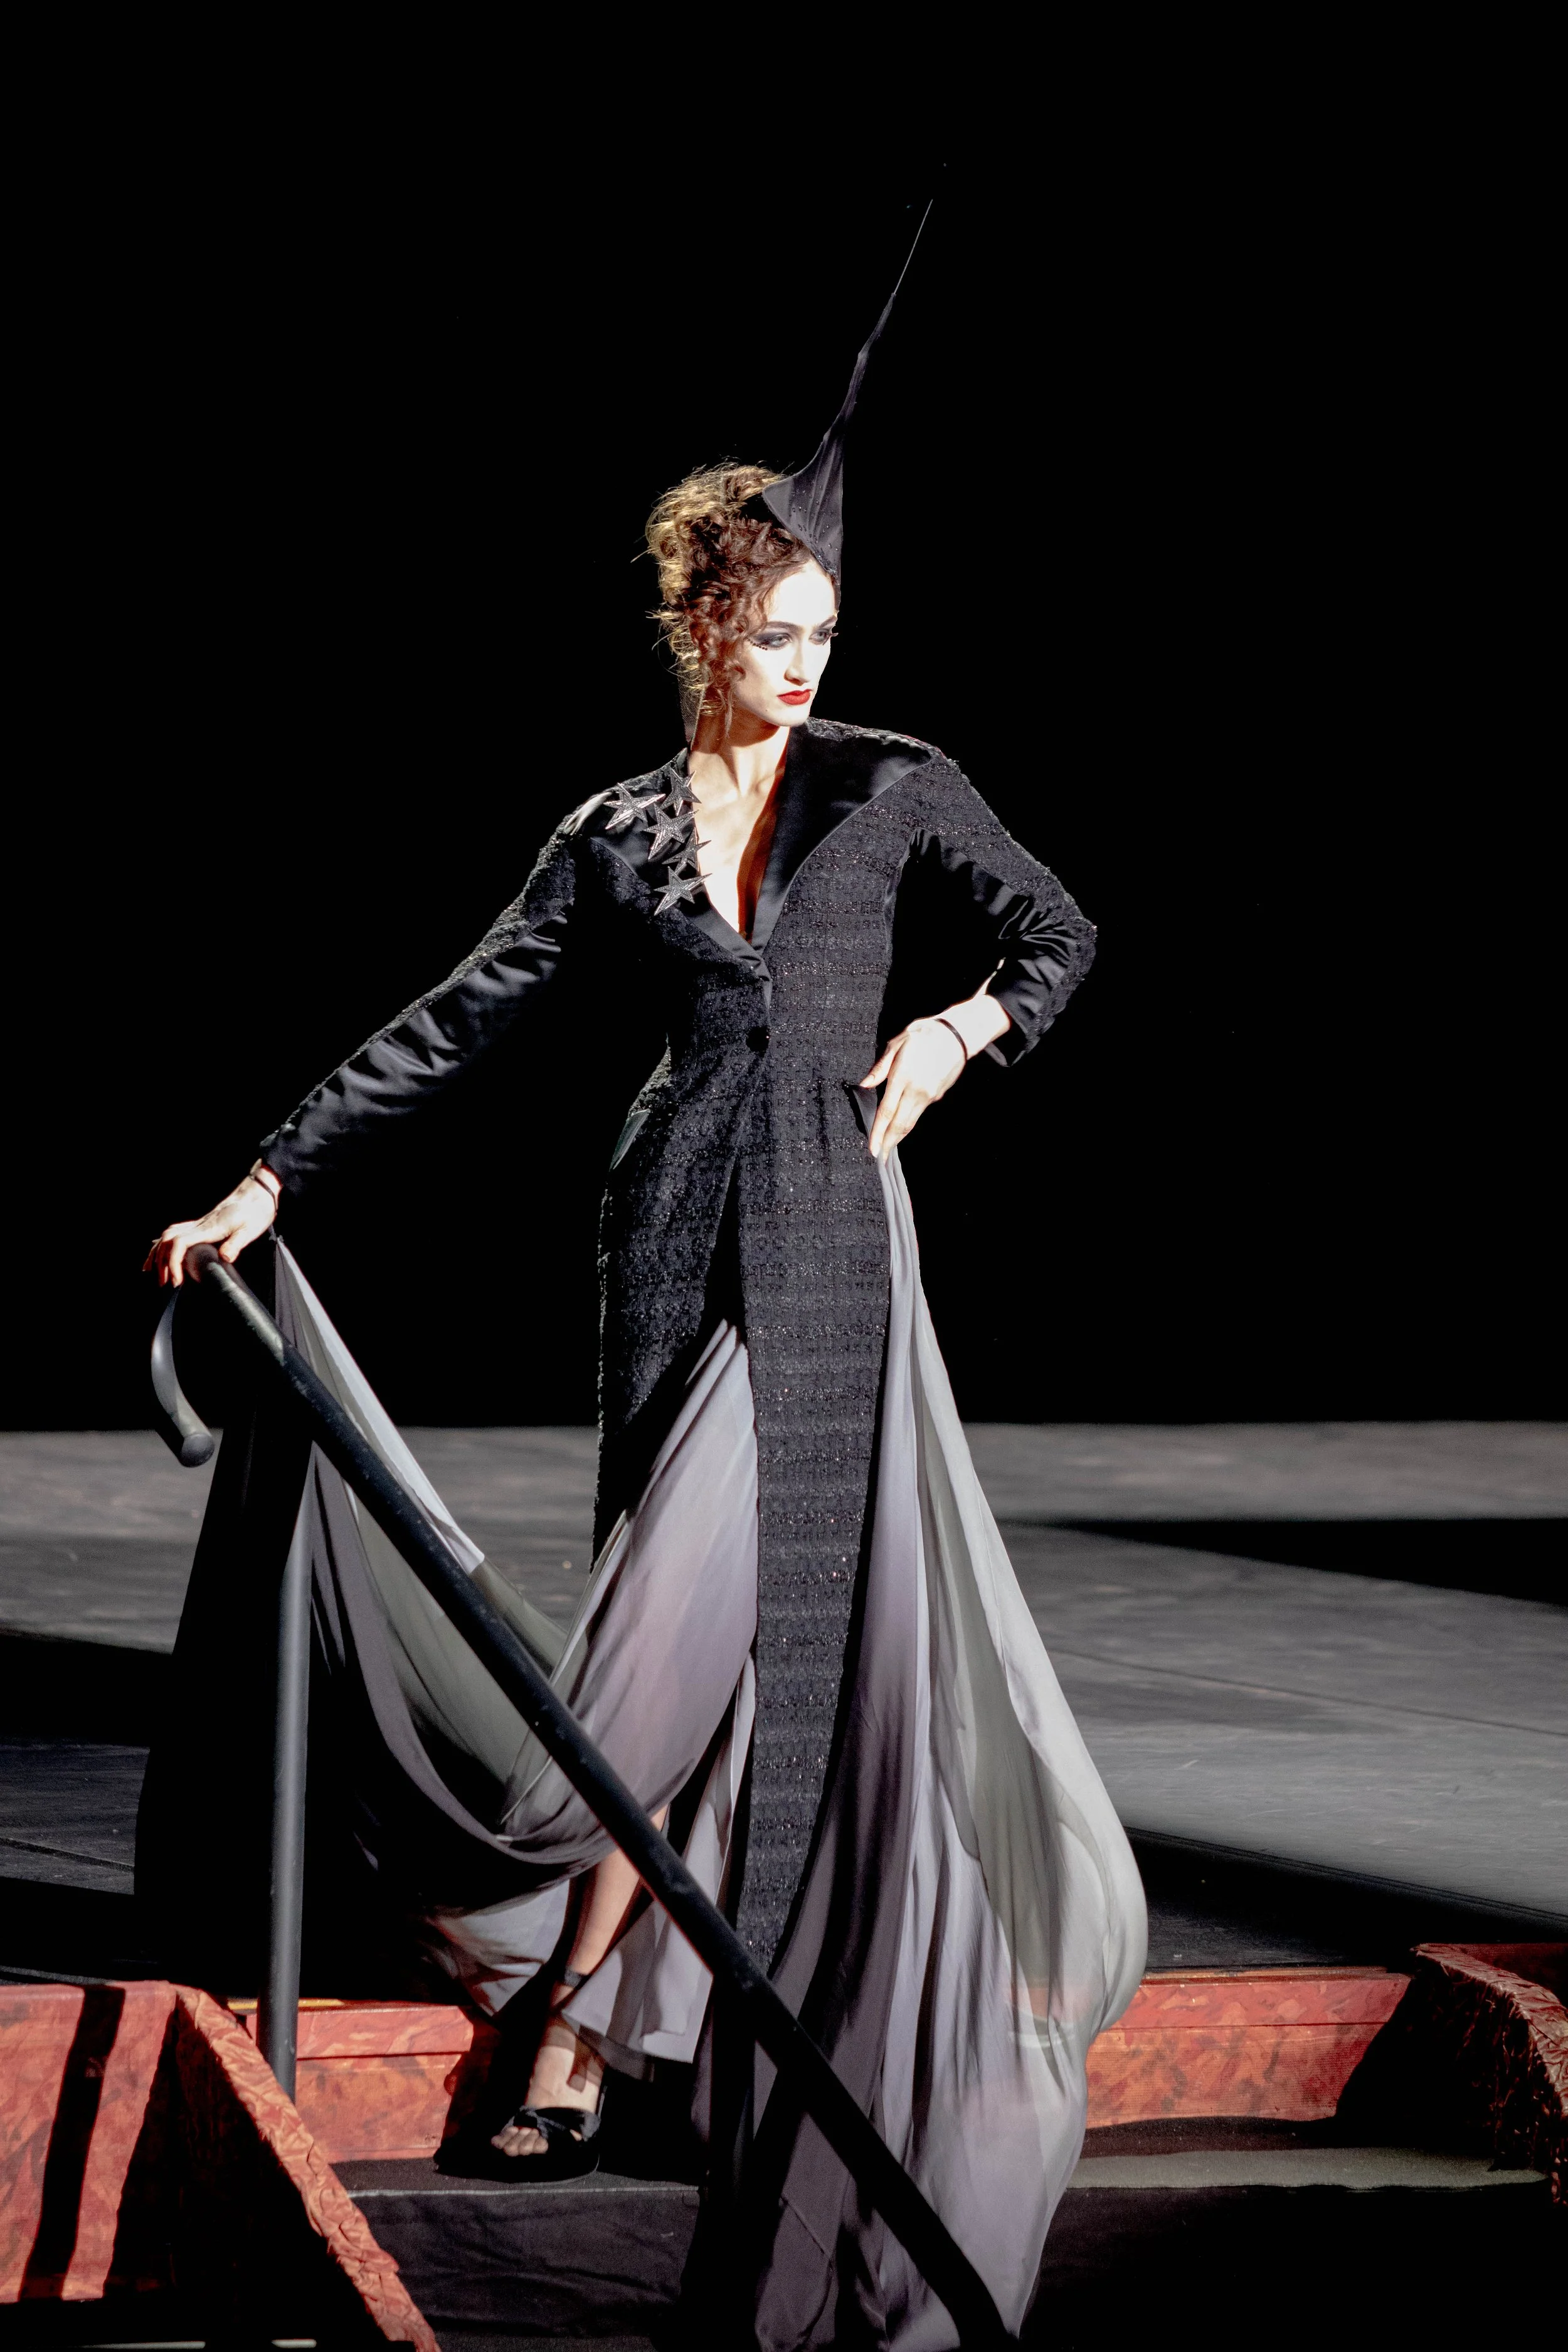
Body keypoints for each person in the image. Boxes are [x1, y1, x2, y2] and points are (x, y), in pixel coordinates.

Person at [145, 278, 1146, 2349]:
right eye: (774, 634)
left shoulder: (895, 783)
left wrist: (957, 1030)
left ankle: (586, 2027)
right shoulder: (611, 833)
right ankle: (612, 2003)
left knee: (761, 1649)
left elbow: (1058, 930)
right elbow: (457, 1017)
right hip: (671, 1242)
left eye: (824, 634)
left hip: (836, 1251)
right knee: (669, 1657)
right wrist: (271, 1168)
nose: (807, 664)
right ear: (700, 626)